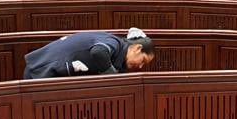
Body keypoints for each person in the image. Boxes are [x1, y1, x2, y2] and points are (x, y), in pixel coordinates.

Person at [24, 28, 155, 78]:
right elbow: (98, 52)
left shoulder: (118, 56)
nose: (140, 66)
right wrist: (113, 77)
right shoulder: (114, 42)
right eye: (143, 60)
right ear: (137, 48)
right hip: (39, 72)